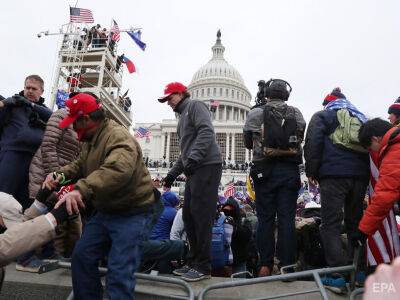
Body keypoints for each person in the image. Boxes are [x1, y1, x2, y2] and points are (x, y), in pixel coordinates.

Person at [43, 92, 158, 299]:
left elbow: (117, 170)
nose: (72, 127)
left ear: (86, 119)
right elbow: (80, 165)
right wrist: (59, 175)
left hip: (133, 212)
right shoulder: (91, 138)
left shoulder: (118, 136)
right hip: (106, 211)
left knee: (119, 272)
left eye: (74, 122)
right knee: (81, 257)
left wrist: (80, 189)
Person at [304, 87, 369, 290]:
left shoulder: (324, 115)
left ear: (328, 102)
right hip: (359, 176)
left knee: (330, 224)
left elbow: (312, 144)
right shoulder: (360, 117)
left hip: (333, 175)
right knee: (355, 224)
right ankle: (357, 272)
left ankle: (337, 274)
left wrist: (311, 171)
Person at [158, 82, 222, 281]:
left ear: (180, 93)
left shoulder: (195, 106)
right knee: (188, 216)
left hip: (207, 165)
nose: (168, 102)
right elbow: (184, 154)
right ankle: (194, 261)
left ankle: (203, 266)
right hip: (195, 168)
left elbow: (206, 132)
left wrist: (194, 158)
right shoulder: (181, 120)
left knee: (202, 216)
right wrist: (172, 174)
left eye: (170, 98)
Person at [243, 79, 306, 277]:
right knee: (287, 219)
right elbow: (300, 136)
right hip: (288, 171)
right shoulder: (296, 112)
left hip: (264, 172)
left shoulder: (255, 113)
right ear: (286, 95)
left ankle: (265, 265)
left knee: (265, 219)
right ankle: (287, 265)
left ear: (267, 95)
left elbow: (247, 144)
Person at [28, 107, 81, 258]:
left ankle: (51, 255)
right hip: (44, 172)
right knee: (38, 214)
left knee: (55, 217)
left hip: (62, 177)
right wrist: (56, 175)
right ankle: (26, 257)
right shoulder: (61, 115)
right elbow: (48, 144)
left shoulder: (82, 123)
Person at [0, 75, 52, 209]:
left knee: (25, 201)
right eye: (27, 87)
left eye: (34, 88)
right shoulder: (12, 105)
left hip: (35, 161)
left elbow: (55, 117)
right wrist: (5, 103)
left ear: (41, 91)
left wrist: (32, 106)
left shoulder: (45, 112)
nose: (29, 91)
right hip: (12, 155)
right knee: (3, 197)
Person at [351, 119, 400, 249]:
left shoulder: (394, 153)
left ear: (375, 139)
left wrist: (363, 231)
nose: (373, 152)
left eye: (370, 148)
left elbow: (384, 196)